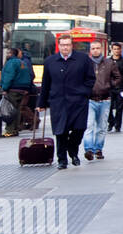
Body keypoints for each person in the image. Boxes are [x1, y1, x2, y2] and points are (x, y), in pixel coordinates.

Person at [36, 35, 97, 169]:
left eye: (68, 45)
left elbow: (90, 78)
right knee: (60, 131)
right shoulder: (50, 61)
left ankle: (72, 150)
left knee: (79, 129)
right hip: (58, 101)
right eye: (62, 45)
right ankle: (62, 160)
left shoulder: (83, 59)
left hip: (78, 101)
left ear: (72, 45)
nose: (65, 47)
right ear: (59, 46)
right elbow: (46, 82)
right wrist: (41, 103)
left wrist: (84, 92)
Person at [82, 40, 121, 161]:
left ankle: (98, 149)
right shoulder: (85, 63)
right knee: (89, 125)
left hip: (105, 99)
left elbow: (118, 77)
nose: (95, 50)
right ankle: (88, 149)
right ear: (90, 50)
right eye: (93, 48)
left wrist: (110, 85)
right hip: (89, 99)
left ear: (101, 49)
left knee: (102, 126)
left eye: (97, 48)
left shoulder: (109, 63)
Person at [0, 48, 33, 137]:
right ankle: (15, 129)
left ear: (11, 54)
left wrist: (4, 88)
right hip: (23, 89)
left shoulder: (11, 63)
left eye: (8, 53)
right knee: (17, 110)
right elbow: (29, 75)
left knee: (10, 110)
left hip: (13, 89)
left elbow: (9, 76)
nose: (6, 54)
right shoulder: (22, 62)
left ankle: (10, 131)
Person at [108, 43, 123, 132]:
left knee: (119, 108)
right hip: (109, 88)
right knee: (108, 107)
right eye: (115, 49)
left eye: (118, 49)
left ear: (121, 50)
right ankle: (111, 122)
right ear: (112, 50)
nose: (116, 50)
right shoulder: (108, 61)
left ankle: (118, 125)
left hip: (121, 88)